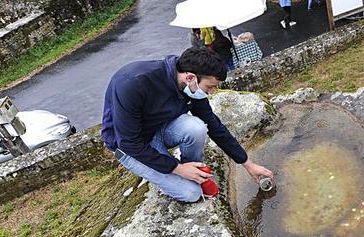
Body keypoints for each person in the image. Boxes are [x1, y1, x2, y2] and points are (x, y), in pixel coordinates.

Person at [101, 47, 274, 203]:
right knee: (190, 194)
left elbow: (213, 124)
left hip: (159, 128)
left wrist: (247, 163)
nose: (212, 92)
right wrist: (177, 168)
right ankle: (185, 175)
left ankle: (195, 173)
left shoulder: (190, 85)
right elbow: (129, 143)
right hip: (130, 146)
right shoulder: (133, 83)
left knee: (197, 127)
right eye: (210, 87)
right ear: (190, 77)